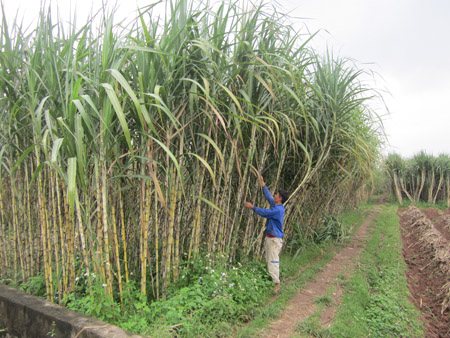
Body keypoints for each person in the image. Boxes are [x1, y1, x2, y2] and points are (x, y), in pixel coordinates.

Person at [244, 173, 289, 293]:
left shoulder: (278, 210)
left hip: (274, 239)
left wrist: (251, 207)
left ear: (280, 199)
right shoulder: (277, 205)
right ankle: (273, 281)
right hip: (271, 238)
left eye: (277, 195)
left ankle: (276, 284)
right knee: (270, 260)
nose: (275, 196)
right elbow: (269, 197)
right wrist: (262, 183)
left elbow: (264, 213)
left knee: (273, 261)